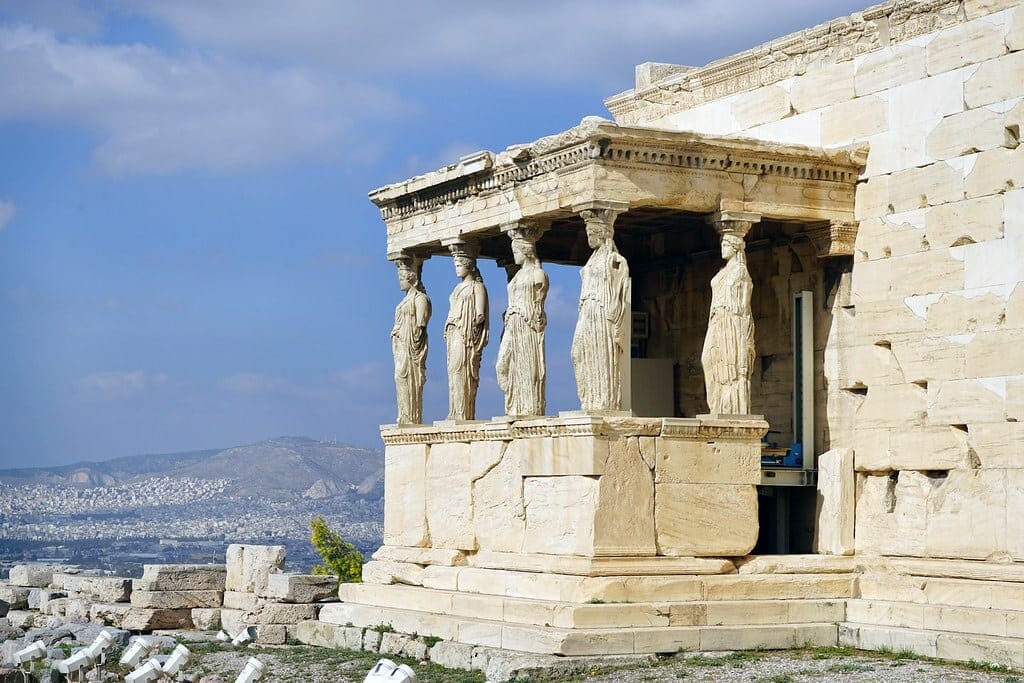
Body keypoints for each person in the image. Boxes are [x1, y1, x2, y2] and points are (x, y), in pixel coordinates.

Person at [571, 221, 630, 411]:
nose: (589, 236)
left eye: (593, 232)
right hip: (587, 310)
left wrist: (615, 308)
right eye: (588, 232)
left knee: (601, 354)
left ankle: (604, 402)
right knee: (577, 352)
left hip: (601, 309)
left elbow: (622, 284)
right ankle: (589, 398)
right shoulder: (592, 259)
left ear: (603, 234)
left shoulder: (613, 259)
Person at [701, 233, 755, 414]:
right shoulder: (722, 271)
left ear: (735, 248)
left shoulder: (741, 271)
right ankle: (716, 405)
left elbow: (745, 303)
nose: (722, 247)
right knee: (707, 359)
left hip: (732, 322)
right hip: (717, 320)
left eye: (726, 244)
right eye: (722, 244)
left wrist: (741, 332)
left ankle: (730, 407)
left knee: (729, 366)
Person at [496, 237, 549, 416]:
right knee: (502, 366)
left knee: (527, 367)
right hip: (512, 323)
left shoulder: (538, 274)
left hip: (527, 325)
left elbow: (539, 307)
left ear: (526, 251)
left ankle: (528, 408)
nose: (514, 255)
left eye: (516, 251)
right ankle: (514, 404)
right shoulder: (518, 275)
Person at [444, 253, 489, 420]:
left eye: (458, 265)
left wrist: (472, 326)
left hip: (466, 334)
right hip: (454, 332)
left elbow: (480, 314)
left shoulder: (477, 287)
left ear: (468, 265)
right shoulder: (457, 288)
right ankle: (455, 410)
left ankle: (463, 413)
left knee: (461, 370)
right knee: (453, 371)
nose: (456, 269)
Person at [391, 262, 431, 424]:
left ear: (412, 278)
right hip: (401, 344)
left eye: (402, 278)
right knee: (399, 377)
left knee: (407, 377)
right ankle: (404, 415)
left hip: (411, 345)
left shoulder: (421, 299)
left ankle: (412, 417)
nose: (400, 281)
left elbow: (421, 324)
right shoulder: (405, 300)